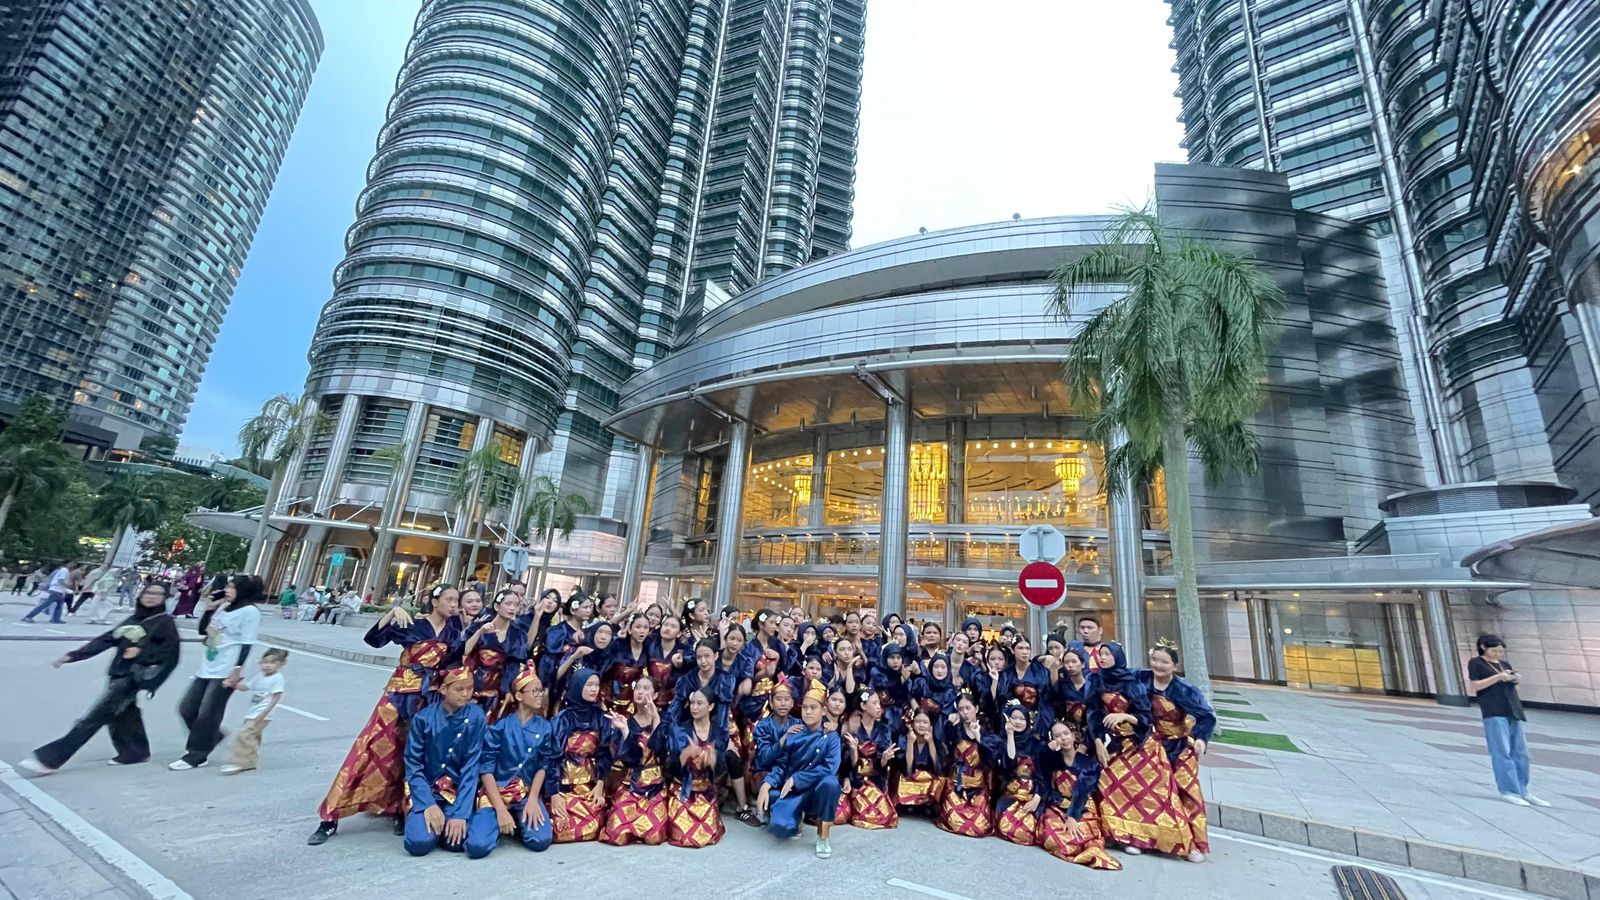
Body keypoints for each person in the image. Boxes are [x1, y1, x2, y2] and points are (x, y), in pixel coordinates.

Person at [309, 587, 463, 845]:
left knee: (413, 756)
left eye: (455, 601)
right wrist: (391, 613)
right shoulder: (412, 623)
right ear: (434, 601)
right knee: (370, 750)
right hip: (398, 696)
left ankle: (400, 808)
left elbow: (454, 662)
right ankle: (331, 815)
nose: (453, 604)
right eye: (449, 599)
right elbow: (373, 640)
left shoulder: (451, 632)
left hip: (429, 700)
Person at [19, 583, 181, 774]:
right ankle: (135, 752)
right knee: (124, 714)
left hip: (132, 678)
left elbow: (170, 653)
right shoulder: (135, 618)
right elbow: (107, 639)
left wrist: (141, 653)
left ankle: (50, 759)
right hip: (118, 673)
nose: (152, 597)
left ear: (164, 598)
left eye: (158, 594)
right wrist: (74, 656)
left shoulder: (164, 622)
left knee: (94, 718)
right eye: (148, 592)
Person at [1089, 641, 1192, 858]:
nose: (1104, 658)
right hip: (1111, 743)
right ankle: (1122, 836)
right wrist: (1097, 740)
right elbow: (1093, 714)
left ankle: (1148, 838)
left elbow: (1145, 716)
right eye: (1101, 654)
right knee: (1110, 787)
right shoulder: (1096, 681)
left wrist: (1125, 716)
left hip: (1138, 744)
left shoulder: (1132, 682)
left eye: (1108, 654)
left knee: (1147, 792)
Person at [172, 574, 264, 770]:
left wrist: (237, 670)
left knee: (209, 713)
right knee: (187, 708)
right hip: (207, 666)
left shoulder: (250, 612)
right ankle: (212, 737)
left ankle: (196, 754)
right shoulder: (224, 607)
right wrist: (209, 609)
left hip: (226, 669)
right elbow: (204, 631)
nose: (227, 590)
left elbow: (247, 643)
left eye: (231, 587)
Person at [466, 669, 556, 858]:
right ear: (519, 695)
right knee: (477, 847)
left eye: (541, 691)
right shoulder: (499, 728)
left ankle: (517, 822)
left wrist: (533, 799)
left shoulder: (545, 728)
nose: (540, 695)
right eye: (534, 691)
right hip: (496, 792)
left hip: (524, 794)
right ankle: (496, 820)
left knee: (541, 840)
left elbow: (542, 765)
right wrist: (500, 809)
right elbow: (486, 770)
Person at [1142, 641, 1215, 862]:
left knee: (1184, 791)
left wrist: (1201, 738)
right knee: (1151, 791)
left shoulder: (1184, 690)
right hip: (1152, 745)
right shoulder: (1142, 680)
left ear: (1174, 665)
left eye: (1164, 662)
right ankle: (1149, 838)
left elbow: (1206, 716)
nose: (1158, 665)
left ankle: (1190, 842)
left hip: (1180, 747)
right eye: (1155, 660)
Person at [402, 667, 487, 856]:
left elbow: (471, 766)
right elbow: (413, 764)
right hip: (427, 789)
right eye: (459, 689)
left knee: (456, 843)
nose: (466, 694)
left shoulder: (476, 716)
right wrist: (428, 804)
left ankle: (446, 823)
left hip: (455, 792)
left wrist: (460, 814)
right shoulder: (423, 719)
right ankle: (430, 820)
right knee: (417, 844)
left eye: (469, 688)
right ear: (443, 690)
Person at [756, 682, 842, 859]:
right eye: (805, 708)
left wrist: (797, 778)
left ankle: (823, 837)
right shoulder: (795, 733)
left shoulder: (831, 736)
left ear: (824, 711)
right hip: (794, 792)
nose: (808, 712)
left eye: (813, 708)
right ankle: (796, 820)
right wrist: (767, 783)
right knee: (774, 806)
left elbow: (829, 768)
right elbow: (781, 764)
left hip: (815, 793)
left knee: (831, 784)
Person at [1467, 634, 1549, 807]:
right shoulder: (1477, 663)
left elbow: (1511, 684)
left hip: (1512, 709)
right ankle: (1508, 790)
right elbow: (1475, 686)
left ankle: (1523, 789)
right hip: (1494, 710)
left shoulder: (1505, 665)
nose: (1498, 654)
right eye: (1494, 650)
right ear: (1483, 647)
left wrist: (1514, 678)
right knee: (1501, 750)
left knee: (1521, 752)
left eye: (1501, 651)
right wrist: (1498, 677)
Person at [549, 668, 620, 843]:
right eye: (589, 685)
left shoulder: (602, 717)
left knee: (595, 824)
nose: (594, 689)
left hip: (589, 783)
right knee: (560, 827)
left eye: (596, 685)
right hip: (564, 785)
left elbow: (604, 754)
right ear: (577, 686)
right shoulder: (562, 718)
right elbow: (552, 757)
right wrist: (554, 792)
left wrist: (600, 784)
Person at [1037, 721, 1120, 870]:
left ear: (1074, 736)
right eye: (1058, 736)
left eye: (1066, 733)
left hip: (1081, 807)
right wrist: (1047, 750)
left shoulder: (1089, 763)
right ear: (1053, 739)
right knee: (1055, 838)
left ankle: (1089, 851)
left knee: (1084, 835)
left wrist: (1072, 816)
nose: (1063, 738)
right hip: (1057, 806)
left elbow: (1082, 791)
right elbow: (1044, 783)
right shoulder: (1051, 760)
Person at [600, 677, 670, 846]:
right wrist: (624, 731)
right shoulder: (627, 722)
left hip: (655, 787)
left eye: (646, 688)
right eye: (637, 688)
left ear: (654, 695)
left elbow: (660, 749)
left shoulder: (665, 720)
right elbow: (630, 758)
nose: (640, 691)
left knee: (653, 838)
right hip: (631, 783)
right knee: (616, 835)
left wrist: (655, 720)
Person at [666, 688, 728, 848]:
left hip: (705, 790)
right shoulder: (679, 729)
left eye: (699, 703)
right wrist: (684, 755)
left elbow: (721, 770)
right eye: (692, 703)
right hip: (682, 789)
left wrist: (713, 761)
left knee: (707, 835)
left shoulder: (719, 732)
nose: (694, 707)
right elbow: (669, 768)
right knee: (683, 836)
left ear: (711, 706)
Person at [936, 692, 994, 838]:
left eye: (968, 708)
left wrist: (979, 738)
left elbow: (991, 761)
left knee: (979, 826)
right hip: (956, 783)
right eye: (961, 709)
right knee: (953, 820)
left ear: (976, 708)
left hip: (978, 785)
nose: (965, 713)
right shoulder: (955, 729)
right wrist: (949, 725)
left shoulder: (986, 732)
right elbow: (943, 749)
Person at [221, 648, 288, 774]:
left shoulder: (277, 678)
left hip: (262, 714)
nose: (267, 666)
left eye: (272, 663)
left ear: (280, 664)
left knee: (245, 736)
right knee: (254, 737)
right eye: (264, 662)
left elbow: (276, 697)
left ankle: (241, 762)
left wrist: (264, 713)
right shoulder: (260, 676)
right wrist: (232, 683)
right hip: (253, 712)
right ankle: (250, 761)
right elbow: (245, 687)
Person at [842, 687, 898, 829]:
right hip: (857, 780)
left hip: (875, 779)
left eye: (879, 703)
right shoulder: (853, 728)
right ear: (863, 706)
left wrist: (885, 758)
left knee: (882, 815)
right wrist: (854, 750)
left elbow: (882, 763)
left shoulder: (884, 729)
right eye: (874, 703)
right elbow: (848, 764)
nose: (878, 707)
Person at [991, 699, 1044, 846]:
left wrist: (1036, 799)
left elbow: (1043, 776)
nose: (1018, 721)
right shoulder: (1001, 741)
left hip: (1031, 794)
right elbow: (1008, 765)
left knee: (1031, 830)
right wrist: (1010, 736)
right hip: (1010, 793)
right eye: (1014, 717)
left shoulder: (1037, 745)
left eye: (1022, 718)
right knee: (1006, 827)